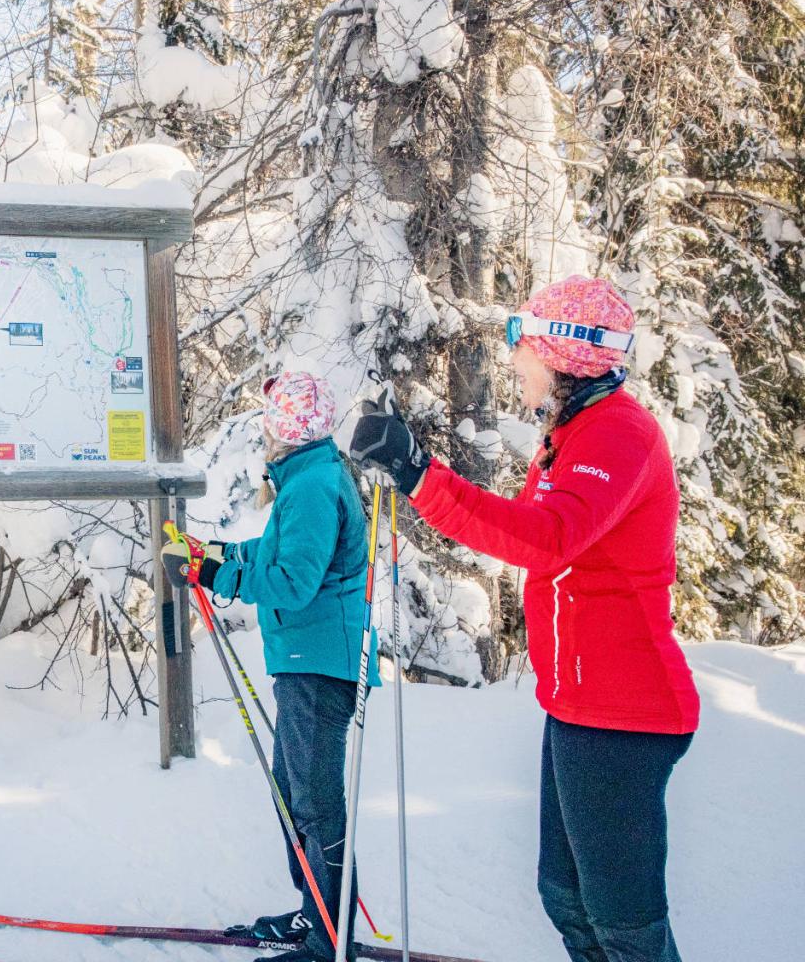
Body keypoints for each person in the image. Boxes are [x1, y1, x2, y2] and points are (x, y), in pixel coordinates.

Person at [347, 274, 699, 962]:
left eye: (522, 340)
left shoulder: (619, 434)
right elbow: (539, 537)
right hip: (580, 705)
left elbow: (547, 537)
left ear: (563, 351)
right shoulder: (572, 434)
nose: (513, 358)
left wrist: (424, 477)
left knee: (625, 923)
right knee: (565, 897)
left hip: (626, 711)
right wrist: (419, 477)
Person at [163, 371, 380, 962]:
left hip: (319, 666)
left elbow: (292, 581)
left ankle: (329, 939)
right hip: (307, 662)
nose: (263, 428)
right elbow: (275, 552)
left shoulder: (312, 486)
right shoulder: (307, 478)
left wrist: (213, 575)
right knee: (295, 796)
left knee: (313, 801)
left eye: (269, 418)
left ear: (286, 428)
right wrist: (216, 553)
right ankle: (317, 916)